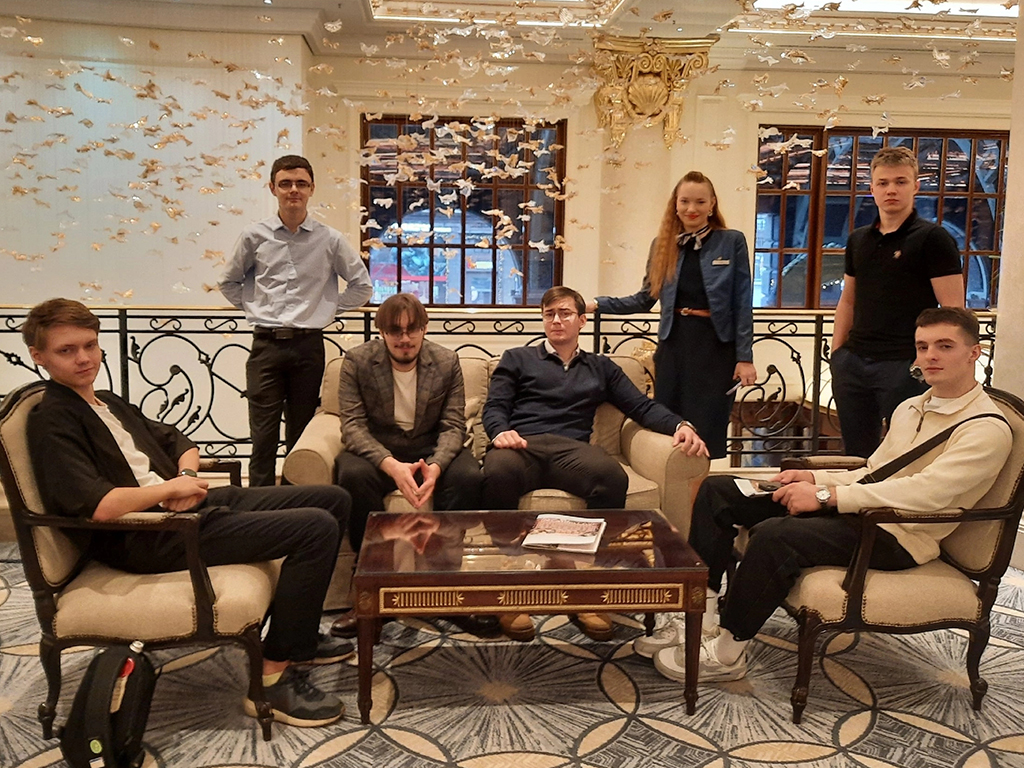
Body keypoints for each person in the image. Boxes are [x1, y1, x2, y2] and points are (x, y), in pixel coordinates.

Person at [24, 298, 355, 728]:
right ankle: (273, 677)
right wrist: (169, 490)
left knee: (334, 499)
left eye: (90, 345)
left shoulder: (106, 402)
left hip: (179, 508)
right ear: (39, 356)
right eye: (66, 350)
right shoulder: (53, 419)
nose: (84, 358)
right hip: (148, 535)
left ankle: (301, 635)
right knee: (316, 528)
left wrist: (184, 479)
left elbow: (180, 441)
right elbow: (99, 506)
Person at [648, 307, 1011, 685]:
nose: (930, 356)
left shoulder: (985, 429)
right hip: (861, 508)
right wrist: (812, 476)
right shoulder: (911, 407)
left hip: (898, 534)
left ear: (974, 352)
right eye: (922, 347)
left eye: (945, 346)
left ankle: (726, 654)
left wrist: (826, 496)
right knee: (720, 490)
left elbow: (927, 492)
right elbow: (874, 471)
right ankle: (702, 617)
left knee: (775, 535)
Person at [482, 285, 709, 641]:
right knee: (496, 472)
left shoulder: (601, 367)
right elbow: (495, 406)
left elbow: (641, 407)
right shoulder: (517, 358)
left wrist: (681, 425)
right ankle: (510, 589)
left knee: (610, 477)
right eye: (549, 314)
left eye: (565, 313)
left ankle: (586, 587)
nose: (557, 320)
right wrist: (499, 432)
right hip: (522, 445)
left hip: (572, 449)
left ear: (582, 320)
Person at [329, 292, 490, 639]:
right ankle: (370, 592)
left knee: (467, 476)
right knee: (352, 474)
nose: (404, 339)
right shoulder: (357, 361)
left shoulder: (446, 361)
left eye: (412, 329)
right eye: (395, 331)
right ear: (382, 332)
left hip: (429, 446)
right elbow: (352, 427)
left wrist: (436, 466)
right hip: (379, 448)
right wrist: (390, 465)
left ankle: (446, 589)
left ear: (424, 328)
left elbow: (453, 426)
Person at [219, 155, 372, 487]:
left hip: (308, 347)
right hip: (265, 345)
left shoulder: (329, 239)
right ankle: (259, 505)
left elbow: (362, 287)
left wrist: (326, 309)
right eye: (285, 183)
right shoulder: (254, 236)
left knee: (302, 435)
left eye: (301, 184)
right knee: (262, 434)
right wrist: (255, 307)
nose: (293, 190)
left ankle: (296, 501)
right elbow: (228, 282)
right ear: (272, 188)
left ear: (312, 189)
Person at [587, 171, 756, 459]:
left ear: (712, 204)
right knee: (670, 427)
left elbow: (742, 303)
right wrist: (595, 304)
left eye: (700, 202)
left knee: (707, 429)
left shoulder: (731, 241)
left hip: (716, 349)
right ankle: (674, 485)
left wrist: (745, 358)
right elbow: (644, 299)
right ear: (675, 204)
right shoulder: (662, 245)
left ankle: (699, 488)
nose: (692, 209)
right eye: (685, 201)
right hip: (673, 347)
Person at [831, 146, 965, 458]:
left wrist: (927, 360)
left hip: (904, 363)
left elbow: (953, 311)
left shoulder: (933, 239)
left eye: (900, 182)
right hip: (854, 363)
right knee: (856, 455)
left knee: (905, 454)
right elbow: (848, 300)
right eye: (883, 183)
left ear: (915, 186)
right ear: (872, 188)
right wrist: (838, 356)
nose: (891, 189)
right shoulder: (858, 239)